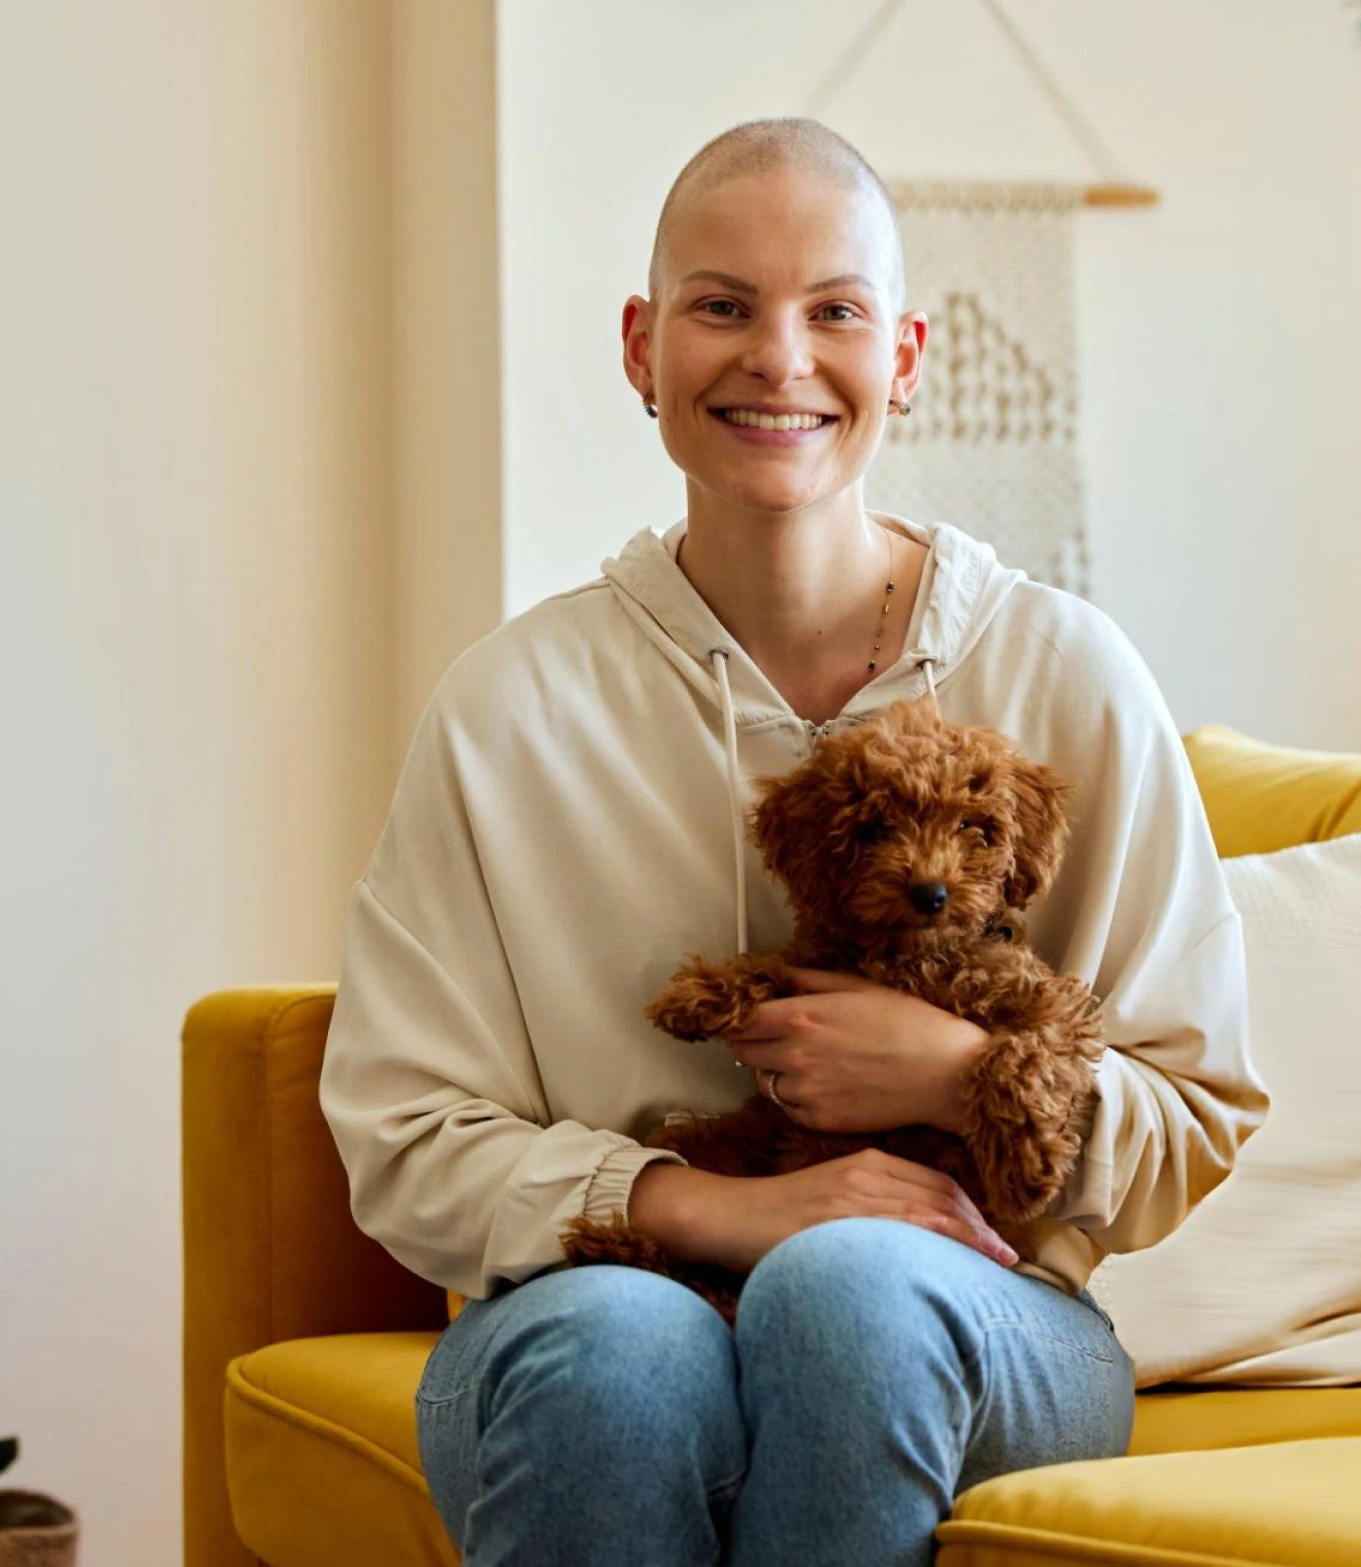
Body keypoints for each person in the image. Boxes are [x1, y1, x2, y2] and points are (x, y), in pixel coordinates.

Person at [318, 117, 1267, 1567]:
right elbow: (405, 1139)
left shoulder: (1067, 669)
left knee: (851, 1295)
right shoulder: (507, 707)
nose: (779, 358)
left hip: (990, 1314)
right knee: (618, 1353)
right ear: (641, 348)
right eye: (722, 305)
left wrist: (951, 1074)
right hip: (597, 1306)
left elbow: (1197, 1111)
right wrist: (730, 1208)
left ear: (907, 358)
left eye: (835, 311)